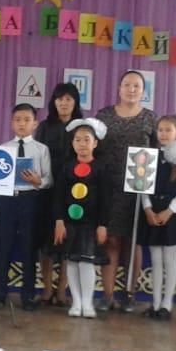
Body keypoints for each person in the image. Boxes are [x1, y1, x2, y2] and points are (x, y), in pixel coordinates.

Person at [95, 70, 157, 311]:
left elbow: (157, 152)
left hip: (138, 189)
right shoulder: (104, 115)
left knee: (133, 242)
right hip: (109, 186)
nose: (131, 90)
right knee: (110, 241)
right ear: (119, 88)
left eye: (136, 86)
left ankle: (130, 294)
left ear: (143, 91)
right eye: (127, 85)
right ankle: (107, 295)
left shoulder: (151, 118)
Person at [0, 103, 53, 311]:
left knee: (29, 249)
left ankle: (27, 296)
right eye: (17, 119)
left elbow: (49, 179)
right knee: (3, 248)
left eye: (27, 120)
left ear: (35, 124)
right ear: (11, 123)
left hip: (30, 201)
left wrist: (38, 181)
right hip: (7, 200)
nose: (22, 124)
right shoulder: (3, 149)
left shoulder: (41, 149)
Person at [138, 115, 176, 321]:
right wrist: (148, 209)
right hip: (152, 211)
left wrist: (170, 211)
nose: (163, 134)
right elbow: (142, 186)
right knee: (155, 260)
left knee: (170, 259)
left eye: (168, 130)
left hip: (173, 214)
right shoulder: (148, 156)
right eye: (160, 129)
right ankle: (155, 303)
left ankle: (167, 304)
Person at [33, 82, 83, 308]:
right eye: (60, 99)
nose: (64, 103)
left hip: (74, 192)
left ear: (75, 102)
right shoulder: (45, 126)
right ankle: (46, 289)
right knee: (45, 242)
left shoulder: (82, 127)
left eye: (68, 99)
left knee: (67, 243)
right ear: (54, 102)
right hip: (47, 190)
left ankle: (62, 290)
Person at [53, 118, 109, 319]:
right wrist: (59, 221)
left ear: (95, 143)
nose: (82, 144)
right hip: (69, 224)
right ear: (72, 143)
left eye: (86, 140)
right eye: (78, 140)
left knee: (86, 262)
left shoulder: (101, 168)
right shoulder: (66, 167)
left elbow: (105, 199)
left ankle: (87, 303)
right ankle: (76, 302)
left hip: (90, 224)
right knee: (71, 262)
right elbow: (58, 196)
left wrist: (102, 225)